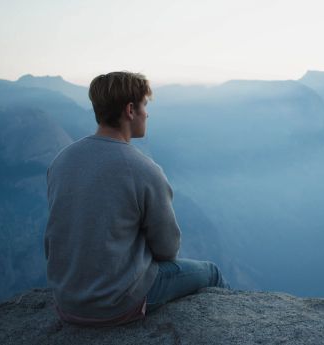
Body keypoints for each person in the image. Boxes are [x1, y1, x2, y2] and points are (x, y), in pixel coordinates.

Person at [44, 71, 229, 327]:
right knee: (212, 272)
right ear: (130, 110)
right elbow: (167, 248)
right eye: (145, 105)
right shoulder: (143, 169)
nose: (147, 113)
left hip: (66, 303)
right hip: (117, 304)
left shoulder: (61, 161)